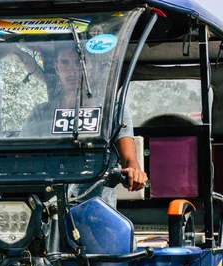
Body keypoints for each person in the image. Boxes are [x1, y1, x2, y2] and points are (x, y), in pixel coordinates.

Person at [21, 44, 147, 207]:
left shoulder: (112, 111)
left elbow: (130, 160)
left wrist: (134, 173)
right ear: (57, 68)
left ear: (91, 67)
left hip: (96, 209)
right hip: (47, 208)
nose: (72, 70)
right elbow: (23, 161)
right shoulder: (40, 114)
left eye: (79, 62)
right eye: (65, 63)